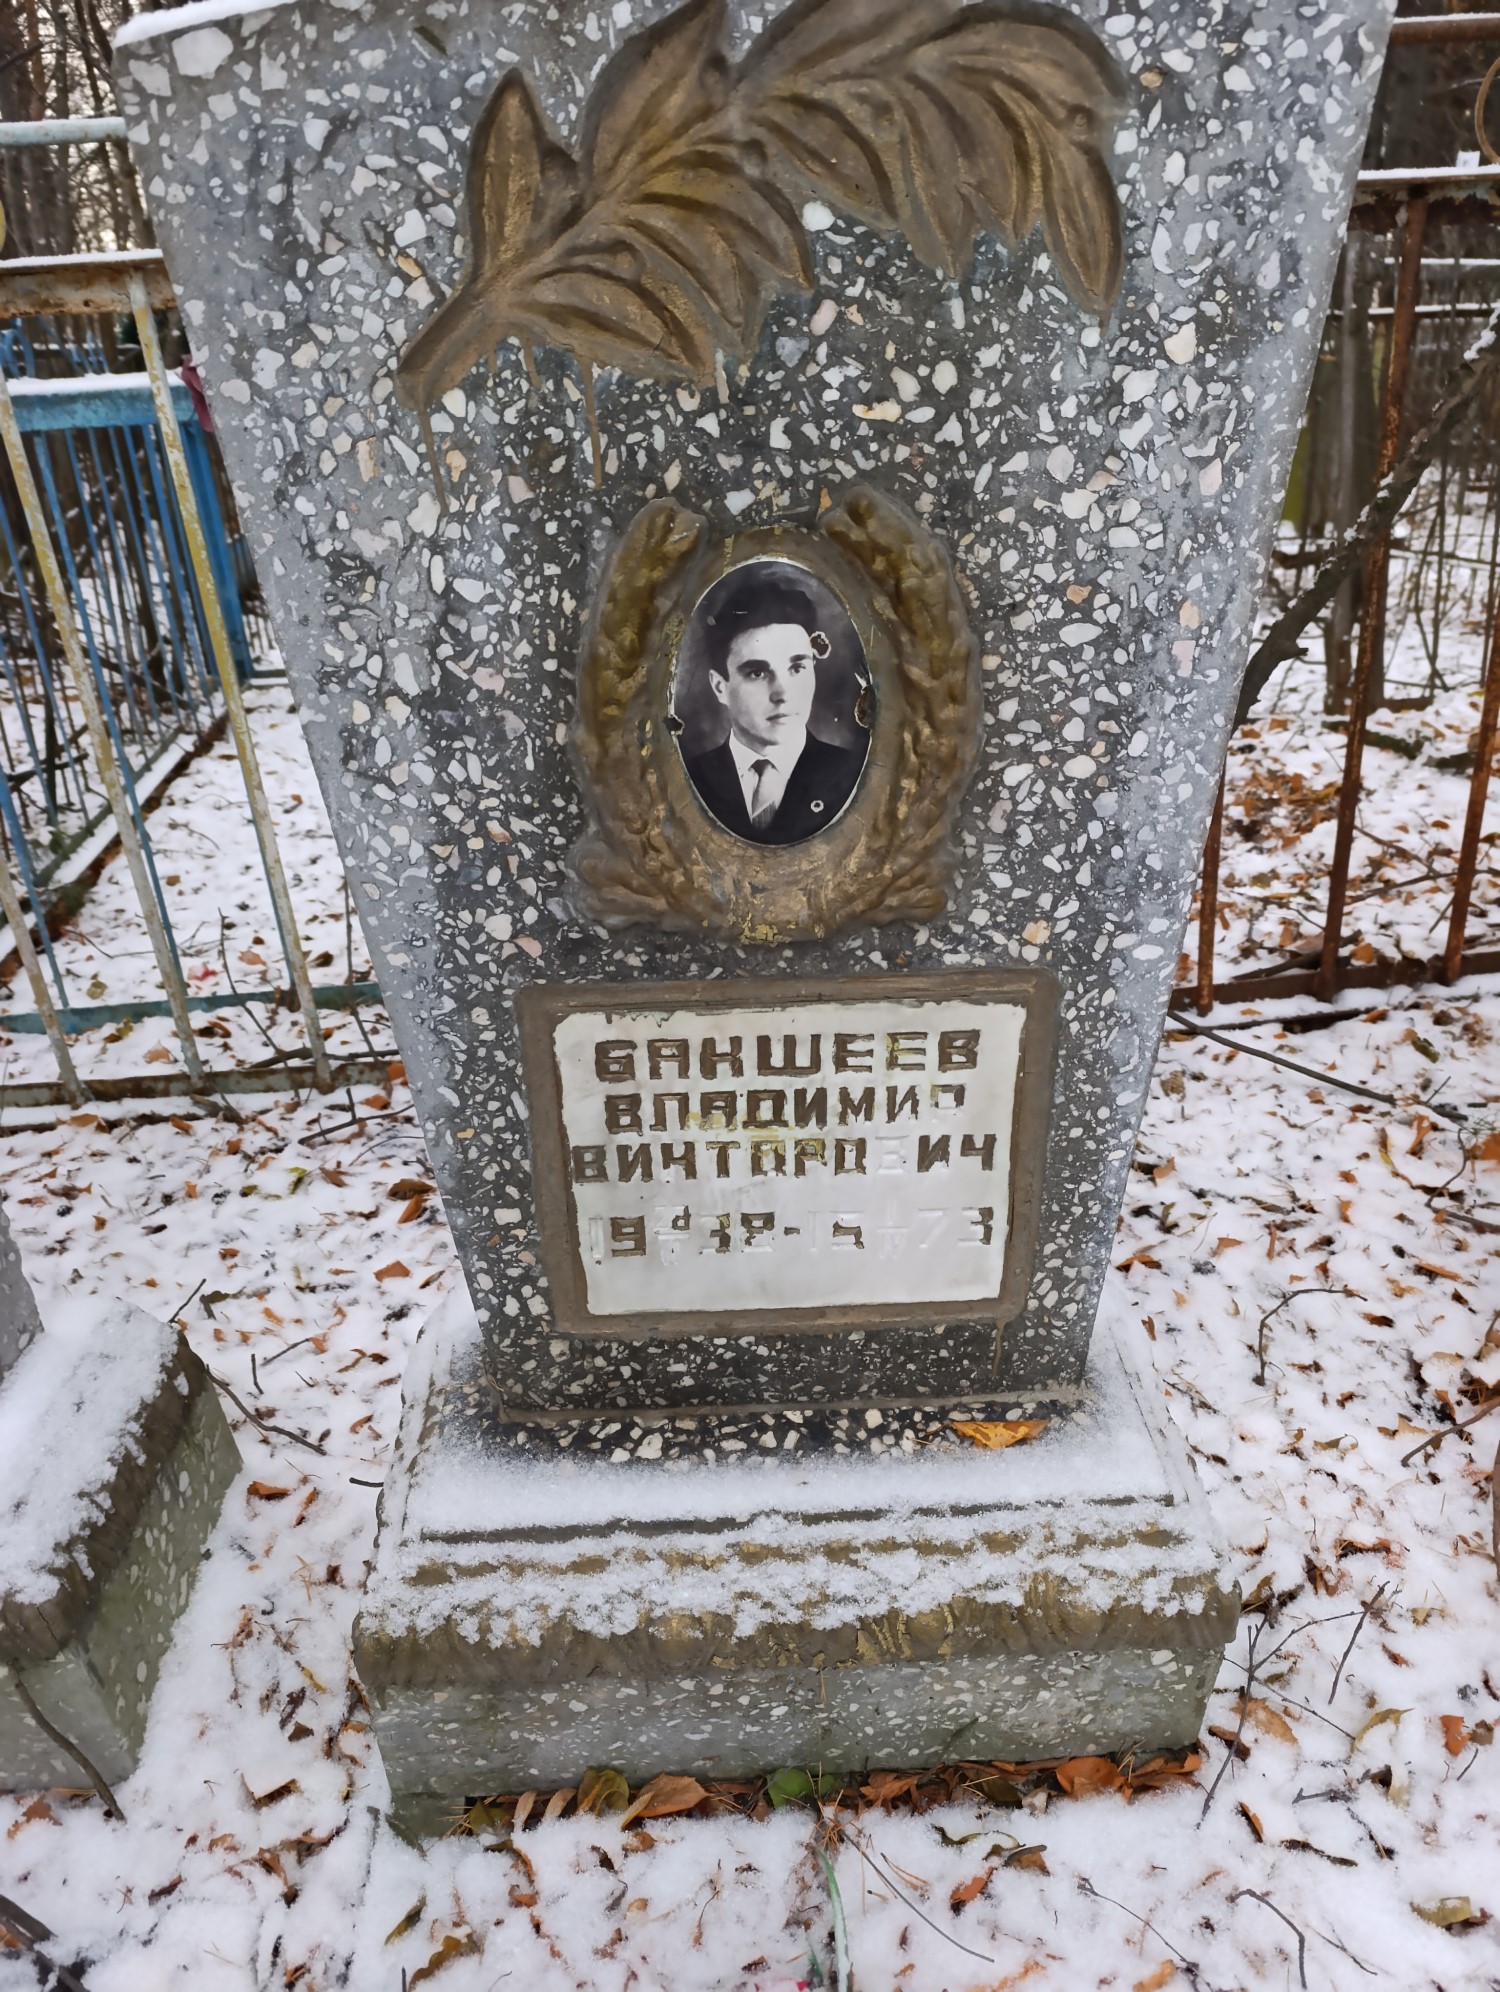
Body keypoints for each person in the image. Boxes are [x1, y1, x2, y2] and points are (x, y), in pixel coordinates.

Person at [682, 571, 866, 845]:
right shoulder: (688, 779)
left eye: (797, 668)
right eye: (757, 673)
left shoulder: (852, 774)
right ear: (720, 687)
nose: (783, 694)